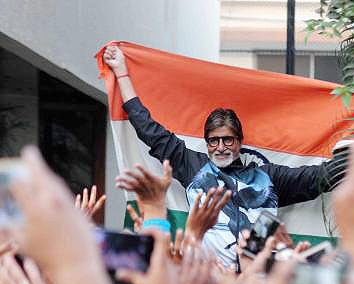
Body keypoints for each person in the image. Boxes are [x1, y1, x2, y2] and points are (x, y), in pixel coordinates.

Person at [102, 45, 337, 267]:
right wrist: (122, 73)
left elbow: (320, 177)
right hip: (208, 280)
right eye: (214, 141)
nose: (221, 147)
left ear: (240, 142)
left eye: (228, 140)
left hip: (255, 282)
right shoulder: (192, 165)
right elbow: (147, 129)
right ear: (206, 144)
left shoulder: (267, 177)